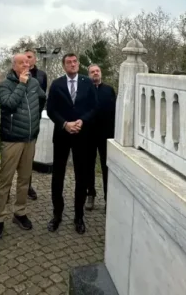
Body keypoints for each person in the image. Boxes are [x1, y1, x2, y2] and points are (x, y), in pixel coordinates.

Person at [0, 53, 45, 239]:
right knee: (5, 180)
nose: (26, 64)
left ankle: (20, 212)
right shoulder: (6, 84)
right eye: (22, 62)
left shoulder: (35, 83)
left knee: (24, 179)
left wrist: (36, 123)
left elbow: (41, 100)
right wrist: (21, 84)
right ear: (14, 65)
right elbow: (7, 105)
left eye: (27, 62)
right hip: (12, 139)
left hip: (30, 138)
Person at [46, 53, 98, 235]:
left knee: (81, 176)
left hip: (82, 135)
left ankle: (79, 216)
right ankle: (57, 214)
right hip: (62, 134)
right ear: (64, 66)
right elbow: (51, 109)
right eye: (69, 62)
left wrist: (81, 121)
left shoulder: (87, 83)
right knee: (57, 176)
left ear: (78, 64)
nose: (73, 64)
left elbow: (94, 107)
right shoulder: (56, 84)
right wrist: (65, 124)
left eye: (75, 61)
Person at [85, 64, 117, 211]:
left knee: (106, 166)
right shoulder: (84, 90)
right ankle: (90, 194)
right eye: (92, 72)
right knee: (88, 166)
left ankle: (107, 197)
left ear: (101, 73)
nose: (95, 73)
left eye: (97, 71)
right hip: (89, 134)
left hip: (107, 135)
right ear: (88, 75)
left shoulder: (109, 90)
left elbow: (115, 112)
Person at [24, 49, 48, 200]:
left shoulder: (41, 75)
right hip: (18, 120)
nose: (27, 60)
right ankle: (6, 189)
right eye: (25, 57)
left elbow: (42, 97)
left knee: (29, 154)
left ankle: (27, 185)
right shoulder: (14, 73)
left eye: (30, 57)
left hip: (34, 119)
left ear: (35, 59)